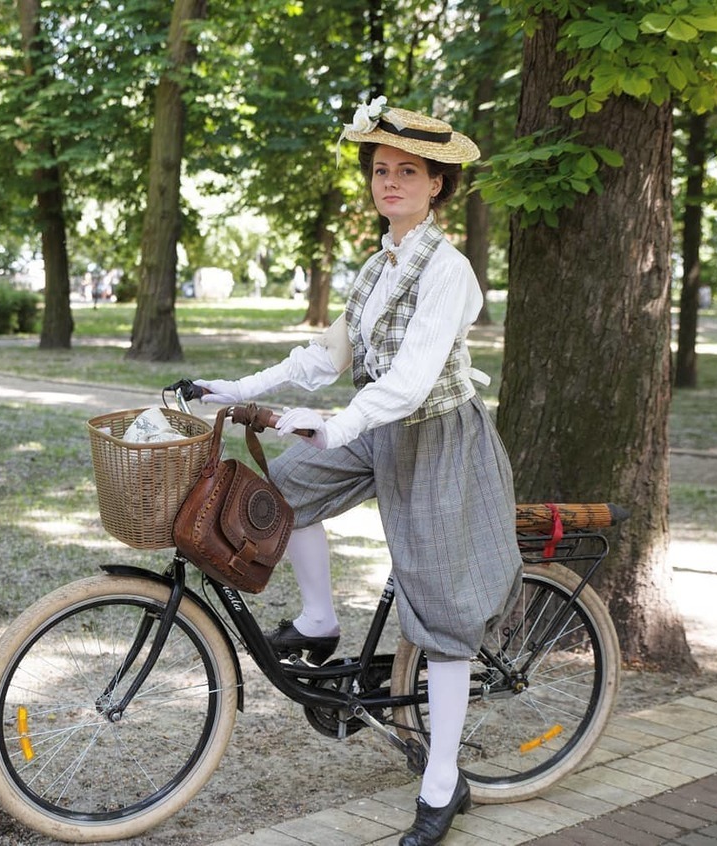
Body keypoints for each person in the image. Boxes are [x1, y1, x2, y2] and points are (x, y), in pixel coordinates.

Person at [195, 97, 523, 846]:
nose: (391, 182)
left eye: (409, 171)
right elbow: (327, 357)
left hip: (438, 434)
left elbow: (410, 380)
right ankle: (318, 621)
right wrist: (237, 390)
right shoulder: (378, 264)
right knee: (279, 494)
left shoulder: (451, 272)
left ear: (437, 184)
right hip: (377, 427)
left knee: (438, 613)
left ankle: (442, 784)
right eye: (381, 170)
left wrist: (335, 424)